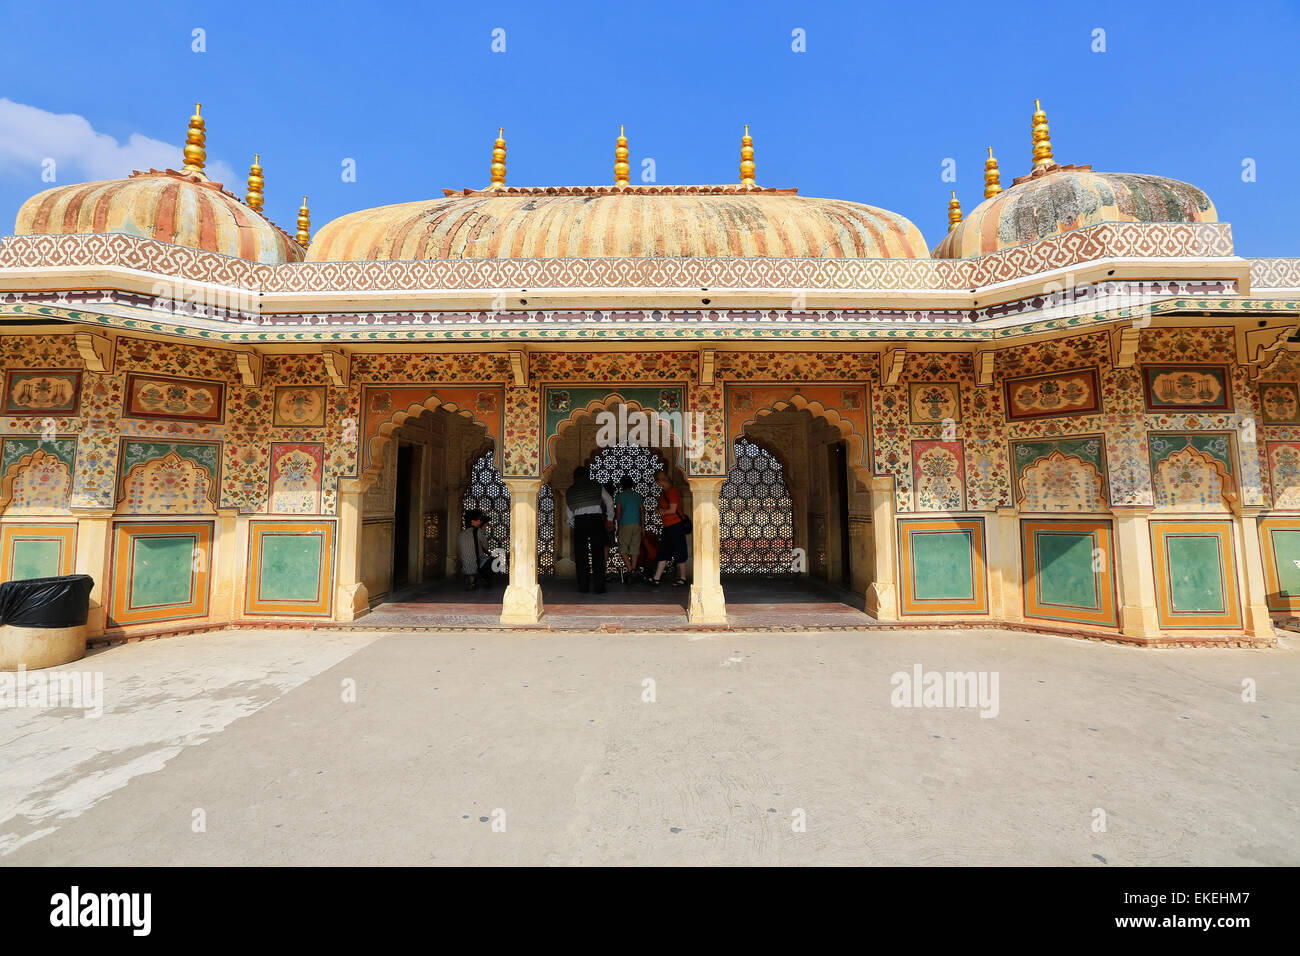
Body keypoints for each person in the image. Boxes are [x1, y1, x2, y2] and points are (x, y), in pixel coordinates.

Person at [565, 466, 614, 594]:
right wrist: (609, 519)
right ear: (588, 475)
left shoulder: (571, 490)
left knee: (581, 555)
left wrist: (575, 524)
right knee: (598, 554)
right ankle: (599, 587)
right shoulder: (596, 486)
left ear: (575, 477)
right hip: (596, 521)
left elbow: (569, 513)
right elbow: (609, 501)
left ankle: (583, 587)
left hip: (580, 522)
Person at [648, 470, 688, 587]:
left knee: (679, 551)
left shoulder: (672, 491)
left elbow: (672, 510)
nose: (657, 484)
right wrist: (660, 510)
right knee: (664, 551)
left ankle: (683, 578)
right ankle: (657, 578)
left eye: (658, 481)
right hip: (667, 526)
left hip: (676, 525)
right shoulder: (663, 493)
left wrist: (663, 512)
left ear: (661, 480)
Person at [614, 476, 644, 580]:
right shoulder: (638, 496)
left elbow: (618, 512)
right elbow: (642, 513)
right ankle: (633, 570)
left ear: (621, 485)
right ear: (632, 484)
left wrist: (618, 526)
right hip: (637, 525)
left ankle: (630, 569)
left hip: (625, 524)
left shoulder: (620, 496)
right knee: (635, 548)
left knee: (623, 548)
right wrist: (643, 527)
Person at [457, 509, 493, 590]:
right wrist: (483, 531)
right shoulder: (478, 531)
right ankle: (484, 580)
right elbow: (486, 547)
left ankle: (470, 579)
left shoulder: (460, 534)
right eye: (479, 519)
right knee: (495, 561)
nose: (480, 521)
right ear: (473, 521)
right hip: (476, 566)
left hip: (465, 568)